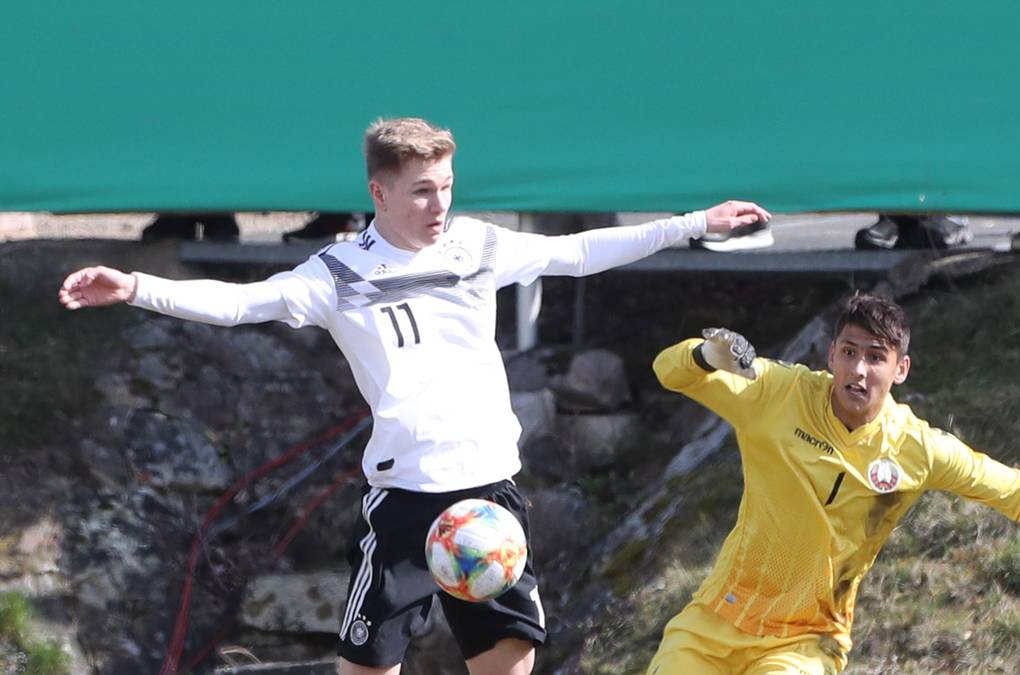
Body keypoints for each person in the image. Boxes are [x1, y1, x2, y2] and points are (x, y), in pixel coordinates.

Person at [57, 116, 771, 675]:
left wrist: (693, 224)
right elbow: (243, 302)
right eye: (422, 190)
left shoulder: (478, 247)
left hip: (490, 495)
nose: (440, 203)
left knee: (513, 655)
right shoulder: (337, 272)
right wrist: (135, 286)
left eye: (448, 185)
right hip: (406, 502)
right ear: (379, 193)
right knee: (370, 661)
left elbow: (579, 252)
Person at [646, 294, 1020, 674]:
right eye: (850, 352)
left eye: (876, 357)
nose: (859, 370)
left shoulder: (916, 449)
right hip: (713, 622)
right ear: (831, 355)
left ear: (899, 369)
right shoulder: (778, 392)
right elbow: (668, 373)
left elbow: (1015, 491)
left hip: (804, 639)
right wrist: (705, 355)